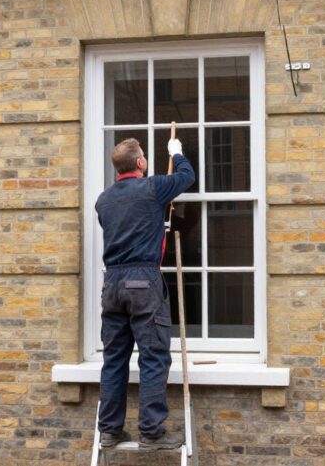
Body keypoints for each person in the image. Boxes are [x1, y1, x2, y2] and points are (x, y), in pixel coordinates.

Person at [94, 137, 195, 450]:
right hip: (142, 280)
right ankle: (151, 433)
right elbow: (187, 177)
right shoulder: (152, 188)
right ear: (140, 163)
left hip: (112, 283)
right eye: (145, 158)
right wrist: (177, 154)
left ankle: (110, 431)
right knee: (153, 357)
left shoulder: (103, 201)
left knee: (114, 359)